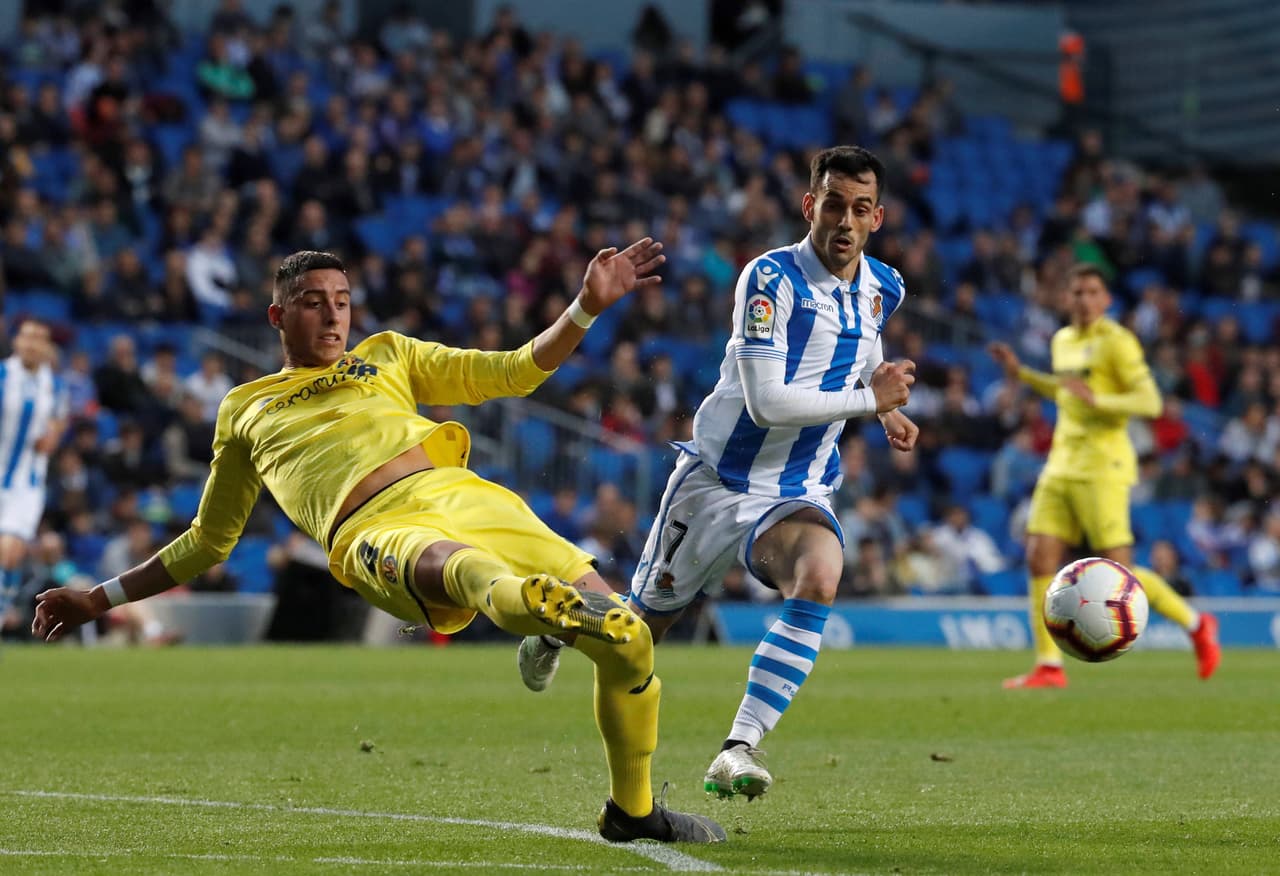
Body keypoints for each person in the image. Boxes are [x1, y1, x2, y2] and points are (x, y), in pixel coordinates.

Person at [31, 247, 725, 845]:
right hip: (373, 530)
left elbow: (513, 371)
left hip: (467, 497)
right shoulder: (246, 407)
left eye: (342, 301)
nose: (334, 316)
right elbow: (210, 540)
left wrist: (584, 308)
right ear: (277, 317)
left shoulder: (388, 355)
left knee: (631, 638)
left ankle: (631, 811)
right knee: (465, 573)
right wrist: (98, 598)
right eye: (312, 303)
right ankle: (541, 615)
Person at [520, 145, 919, 801]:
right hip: (717, 481)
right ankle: (563, 622)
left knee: (820, 574)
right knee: (635, 638)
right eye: (834, 204)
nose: (845, 220)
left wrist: (879, 408)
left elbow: (864, 341)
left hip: (794, 491)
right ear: (808, 205)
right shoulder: (770, 280)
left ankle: (738, 749)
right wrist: (869, 402)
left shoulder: (885, 287)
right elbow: (767, 404)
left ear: (878, 217)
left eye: (860, 208)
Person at [988, 264, 1220, 689]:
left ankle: (1197, 622)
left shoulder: (1117, 342)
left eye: (1092, 291)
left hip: (1104, 467)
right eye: (1076, 292)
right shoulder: (1062, 341)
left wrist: (1101, 399)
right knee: (1039, 555)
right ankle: (1048, 665)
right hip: (1062, 463)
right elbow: (1065, 393)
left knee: (1119, 572)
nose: (1083, 299)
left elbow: (1150, 401)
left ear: (1106, 300)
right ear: (1065, 299)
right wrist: (1020, 374)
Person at [1, 318, 67, 625]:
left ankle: (2, 613)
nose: (31, 343)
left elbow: (57, 424)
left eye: (38, 339)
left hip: (26, 483)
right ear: (16, 342)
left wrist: (53, 434)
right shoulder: (2, 376)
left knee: (11, 551)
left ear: (46, 347)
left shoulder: (53, 385)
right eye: (26, 337)